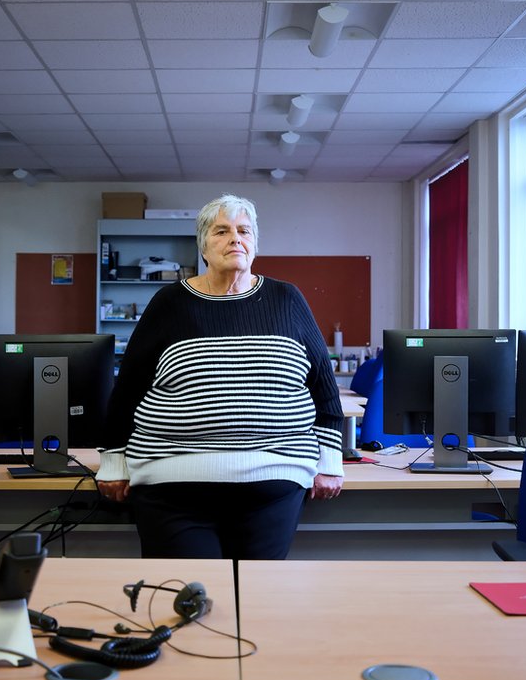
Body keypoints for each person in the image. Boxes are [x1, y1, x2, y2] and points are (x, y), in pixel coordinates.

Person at [96, 193, 345, 559]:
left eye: (244, 231)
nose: (235, 239)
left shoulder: (287, 299)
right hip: (172, 483)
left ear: (255, 244)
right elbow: (128, 389)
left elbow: (323, 388)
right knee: (185, 598)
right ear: (204, 245)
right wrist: (113, 461)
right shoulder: (169, 303)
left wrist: (329, 462)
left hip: (272, 479)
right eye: (221, 231)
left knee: (258, 600)